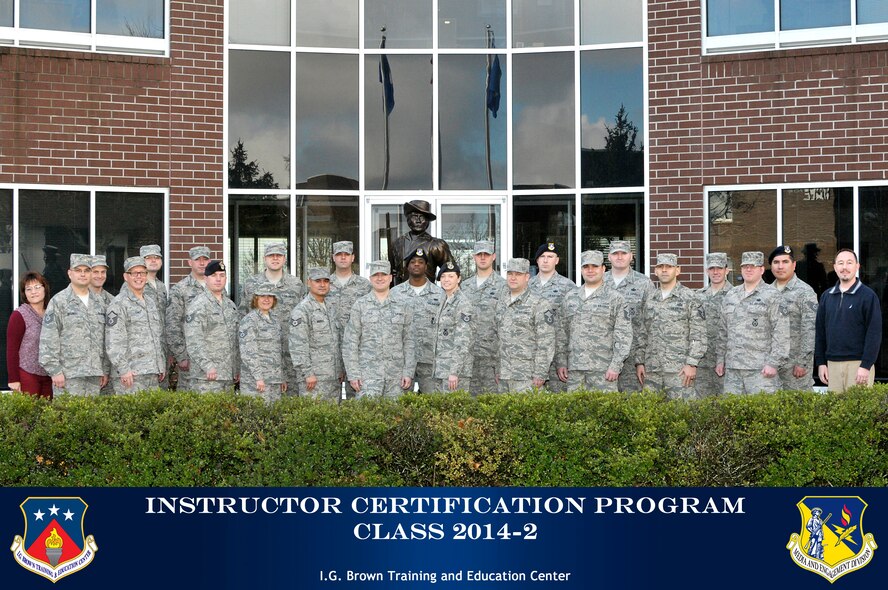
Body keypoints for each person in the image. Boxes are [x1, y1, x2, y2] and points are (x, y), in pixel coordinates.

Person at [556, 250, 631, 392]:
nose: (590, 270)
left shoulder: (615, 298)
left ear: (603, 269)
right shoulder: (570, 298)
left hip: (604, 371)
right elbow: (561, 333)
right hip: (575, 370)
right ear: (581, 270)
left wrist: (615, 366)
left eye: (595, 266)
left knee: (604, 412)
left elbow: (624, 335)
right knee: (575, 412)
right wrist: (561, 362)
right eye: (586, 267)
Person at [716, 251, 790, 394]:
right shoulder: (731, 295)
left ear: (761, 270)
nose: (748, 270)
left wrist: (773, 363)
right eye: (745, 267)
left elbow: (781, 332)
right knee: (732, 414)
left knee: (762, 414)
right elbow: (723, 331)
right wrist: (720, 359)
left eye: (753, 266)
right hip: (733, 370)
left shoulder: (773, 296)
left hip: (761, 370)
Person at [635, 253, 707, 399]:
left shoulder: (690, 298)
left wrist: (691, 364)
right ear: (655, 271)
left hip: (679, 370)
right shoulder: (650, 299)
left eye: (669, 266)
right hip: (652, 369)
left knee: (682, 415)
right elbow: (643, 333)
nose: (664, 270)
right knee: (650, 416)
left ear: (677, 270)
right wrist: (640, 362)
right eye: (660, 267)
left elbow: (698, 334)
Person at [238, 242, 306, 394]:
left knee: (292, 401)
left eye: (279, 255)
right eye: (271, 255)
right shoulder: (251, 284)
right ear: (264, 258)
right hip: (262, 357)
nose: (275, 259)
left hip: (291, 354)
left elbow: (303, 318)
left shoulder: (296, 285)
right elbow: (242, 316)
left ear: (284, 259)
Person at [38, 254, 110, 396]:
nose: (83, 274)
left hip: (94, 375)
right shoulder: (59, 302)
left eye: (87, 270)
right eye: (78, 270)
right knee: (67, 416)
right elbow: (48, 339)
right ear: (70, 273)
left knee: (92, 417)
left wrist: (104, 369)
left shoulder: (100, 303)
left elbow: (106, 340)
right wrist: (55, 371)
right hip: (67, 376)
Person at [342, 260, 415, 398]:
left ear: (390, 278)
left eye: (383, 274)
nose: (380, 278)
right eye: (376, 275)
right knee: (368, 417)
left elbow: (410, 342)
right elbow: (350, 343)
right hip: (367, 378)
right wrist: (353, 374)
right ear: (370, 279)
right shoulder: (360, 305)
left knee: (396, 418)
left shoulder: (403, 305)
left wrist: (408, 372)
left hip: (396, 378)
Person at [815, 249, 882, 392]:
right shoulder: (827, 297)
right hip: (832, 365)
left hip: (858, 365)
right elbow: (820, 332)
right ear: (834, 267)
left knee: (859, 411)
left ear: (857, 266)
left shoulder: (868, 296)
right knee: (836, 412)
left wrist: (866, 365)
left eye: (849, 263)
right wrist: (821, 363)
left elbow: (874, 334)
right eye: (840, 263)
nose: (844, 267)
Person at [105, 256, 166, 394]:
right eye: (134, 273)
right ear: (126, 277)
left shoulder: (150, 302)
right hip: (130, 375)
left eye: (142, 273)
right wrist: (124, 369)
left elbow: (157, 336)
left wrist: (160, 365)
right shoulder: (118, 304)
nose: (139, 277)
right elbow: (113, 342)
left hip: (152, 373)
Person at [495, 258, 556, 393]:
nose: (513, 278)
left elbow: (546, 342)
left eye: (518, 274)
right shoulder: (502, 302)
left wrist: (540, 373)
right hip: (505, 375)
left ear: (527, 277)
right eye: (510, 274)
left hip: (527, 376)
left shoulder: (539, 304)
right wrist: (498, 368)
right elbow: (498, 338)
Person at [390, 248, 445, 392]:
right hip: (402, 360)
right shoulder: (395, 293)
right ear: (407, 267)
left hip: (429, 359)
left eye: (421, 262)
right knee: (399, 407)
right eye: (412, 262)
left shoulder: (439, 294)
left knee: (434, 405)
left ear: (426, 267)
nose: (416, 265)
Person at [604, 240, 654, 392]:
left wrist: (641, 360)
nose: (619, 257)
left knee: (632, 402)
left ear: (631, 256)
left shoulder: (644, 283)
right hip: (603, 354)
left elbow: (650, 322)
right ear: (609, 257)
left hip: (633, 356)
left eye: (623, 253)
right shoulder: (599, 282)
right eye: (615, 254)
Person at [460, 240, 508, 395]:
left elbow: (506, 326)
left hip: (492, 358)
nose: (482, 258)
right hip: (468, 357)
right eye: (479, 254)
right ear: (474, 257)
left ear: (493, 257)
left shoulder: (504, 286)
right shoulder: (464, 287)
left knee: (492, 406)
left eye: (486, 254)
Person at [184, 261, 240, 393]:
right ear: (206, 278)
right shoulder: (199, 305)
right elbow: (194, 340)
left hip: (227, 376)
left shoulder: (230, 306)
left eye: (222, 275)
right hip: (206, 377)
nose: (218, 279)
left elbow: (235, 340)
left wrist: (236, 368)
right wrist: (207, 366)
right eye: (214, 275)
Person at [769, 245, 818, 390]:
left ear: (794, 265)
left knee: (797, 407)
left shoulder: (805, 293)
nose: (780, 266)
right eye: (776, 262)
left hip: (794, 367)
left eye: (785, 262)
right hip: (769, 366)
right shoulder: (766, 292)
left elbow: (810, 330)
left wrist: (802, 363)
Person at [326, 240, 371, 398]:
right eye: (339, 255)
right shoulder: (324, 285)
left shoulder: (365, 286)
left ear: (353, 257)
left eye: (346, 254)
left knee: (356, 395)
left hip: (357, 349)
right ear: (333, 258)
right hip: (329, 350)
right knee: (329, 398)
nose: (343, 258)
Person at [289, 268, 342, 401]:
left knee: (333, 417)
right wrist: (307, 373)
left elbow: (337, 341)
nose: (322, 284)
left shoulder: (331, 308)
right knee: (312, 418)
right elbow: (298, 345)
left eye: (326, 281)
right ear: (309, 282)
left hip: (332, 377)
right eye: (318, 281)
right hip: (313, 379)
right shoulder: (302, 310)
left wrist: (340, 368)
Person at [529, 242, 576, 391]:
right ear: (536, 260)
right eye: (542, 256)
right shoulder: (527, 286)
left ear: (557, 260)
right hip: (533, 352)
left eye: (550, 256)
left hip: (558, 352)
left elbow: (571, 322)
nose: (545, 260)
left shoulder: (568, 286)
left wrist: (564, 358)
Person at [166, 245, 211, 391]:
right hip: (190, 359)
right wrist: (181, 355)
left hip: (214, 357)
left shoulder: (217, 287)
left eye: (205, 259)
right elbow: (173, 324)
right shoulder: (180, 289)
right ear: (190, 263)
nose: (202, 263)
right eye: (197, 259)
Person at [6, 271, 52, 397]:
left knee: (48, 414)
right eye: (29, 289)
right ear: (24, 293)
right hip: (27, 373)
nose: (33, 292)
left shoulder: (51, 314)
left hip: (50, 374)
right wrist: (13, 379)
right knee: (29, 414)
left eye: (37, 287)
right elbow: (12, 350)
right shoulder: (19, 315)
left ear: (45, 289)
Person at [239, 283, 286, 402]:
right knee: (257, 417)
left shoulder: (275, 320)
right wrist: (258, 377)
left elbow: (279, 351)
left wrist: (281, 377)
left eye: (270, 296)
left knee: (274, 417)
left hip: (274, 380)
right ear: (256, 299)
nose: (266, 299)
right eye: (262, 296)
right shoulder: (249, 321)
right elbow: (248, 353)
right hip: (256, 382)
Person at [387, 200, 454, 285]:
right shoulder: (397, 243)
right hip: (400, 294)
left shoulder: (436, 245)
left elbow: (451, 272)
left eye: (422, 217)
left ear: (427, 221)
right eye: (415, 216)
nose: (418, 220)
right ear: (408, 219)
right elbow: (391, 271)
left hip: (427, 295)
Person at [431, 261, 474, 392]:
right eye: (443, 277)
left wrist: (454, 372)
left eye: (450, 276)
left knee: (453, 410)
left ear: (459, 278)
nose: (446, 280)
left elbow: (463, 341)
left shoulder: (462, 304)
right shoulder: (444, 300)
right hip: (441, 370)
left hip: (454, 373)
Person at [696, 253, 730, 396]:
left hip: (727, 360)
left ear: (726, 270)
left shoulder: (734, 295)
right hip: (702, 361)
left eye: (719, 268)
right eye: (712, 268)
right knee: (700, 405)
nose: (715, 272)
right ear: (706, 271)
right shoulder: (698, 296)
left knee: (726, 405)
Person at [90, 255, 116, 394]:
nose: (100, 276)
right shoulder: (79, 301)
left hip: (110, 370)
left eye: (103, 272)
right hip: (85, 370)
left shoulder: (113, 301)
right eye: (95, 272)